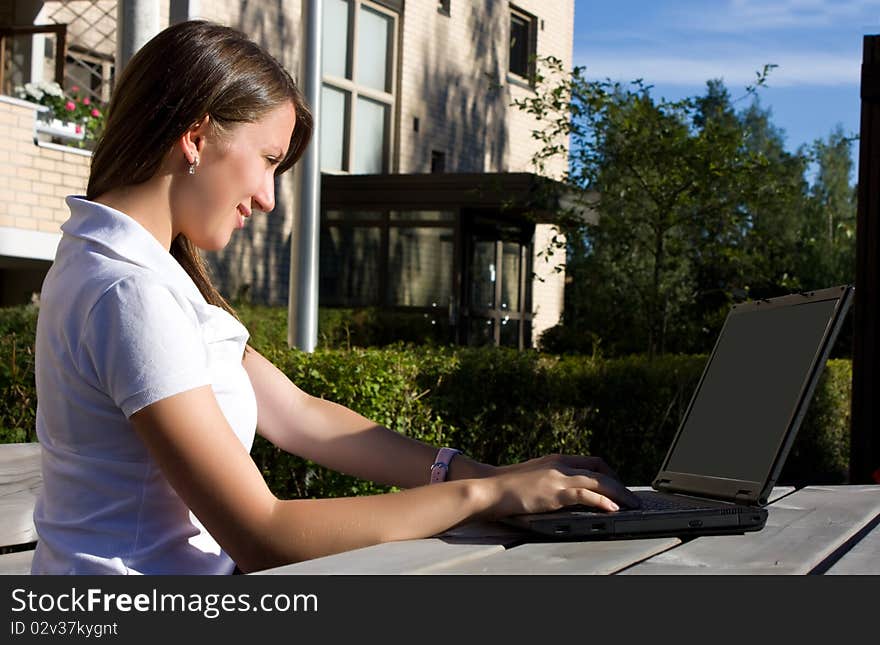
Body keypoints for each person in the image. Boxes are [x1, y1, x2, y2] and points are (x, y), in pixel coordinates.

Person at [31, 20, 639, 575]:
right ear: (196, 135)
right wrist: (485, 495)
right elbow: (261, 533)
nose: (268, 198)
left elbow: (299, 417)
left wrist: (484, 471)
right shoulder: (128, 291)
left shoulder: (138, 274)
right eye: (268, 160)